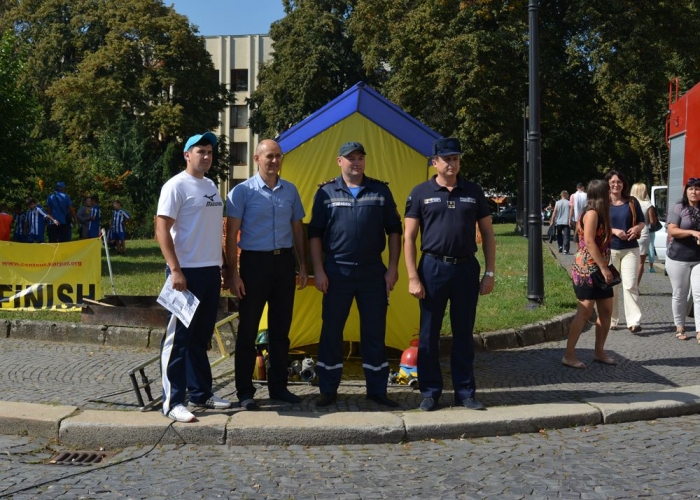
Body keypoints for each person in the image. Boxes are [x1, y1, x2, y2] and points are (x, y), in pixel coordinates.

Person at [404, 137, 496, 411]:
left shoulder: (473, 191)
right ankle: (430, 392)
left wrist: (490, 271)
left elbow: (489, 233)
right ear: (435, 162)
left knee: (464, 332)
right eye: (446, 159)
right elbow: (409, 237)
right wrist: (412, 276)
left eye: (455, 158)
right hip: (433, 267)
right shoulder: (420, 192)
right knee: (429, 333)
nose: (452, 163)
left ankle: (465, 392)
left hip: (466, 267)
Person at [308, 141, 402, 408]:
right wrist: (318, 270)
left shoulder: (380, 191)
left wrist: (393, 268)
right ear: (339, 161)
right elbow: (314, 234)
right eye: (350, 158)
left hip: (373, 272)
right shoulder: (326, 193)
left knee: (374, 332)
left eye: (360, 157)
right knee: (331, 332)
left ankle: (377, 390)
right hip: (337, 271)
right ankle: (327, 389)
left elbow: (394, 231)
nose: (356, 163)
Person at [155, 131, 232, 423]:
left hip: (210, 271)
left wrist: (223, 266)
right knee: (178, 340)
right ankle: (173, 401)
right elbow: (161, 229)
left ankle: (200, 393)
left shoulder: (211, 185)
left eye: (210, 152)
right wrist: (174, 269)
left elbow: (213, 231)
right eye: (200, 151)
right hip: (184, 273)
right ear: (187, 154)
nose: (206, 156)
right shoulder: (175, 186)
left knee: (201, 338)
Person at [226, 139, 308, 410]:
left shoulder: (291, 191)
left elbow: (298, 231)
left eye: (278, 156)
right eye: (269, 156)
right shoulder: (242, 192)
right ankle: (245, 391)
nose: (274, 161)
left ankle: (278, 387)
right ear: (257, 159)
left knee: (281, 331)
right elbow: (230, 237)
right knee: (248, 330)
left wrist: (303, 266)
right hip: (254, 265)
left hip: (284, 264)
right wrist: (233, 274)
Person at [563, 179, 617, 368]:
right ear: (602, 193)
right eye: (608, 191)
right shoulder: (592, 213)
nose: (611, 194)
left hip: (600, 267)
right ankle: (569, 355)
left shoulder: (601, 213)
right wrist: (604, 268)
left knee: (606, 311)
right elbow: (589, 242)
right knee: (584, 312)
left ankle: (599, 352)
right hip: (588, 269)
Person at [606, 170, 645, 332]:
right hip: (610, 249)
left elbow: (642, 222)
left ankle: (633, 322)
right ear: (608, 184)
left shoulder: (632, 201)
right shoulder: (603, 203)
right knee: (612, 287)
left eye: (619, 182)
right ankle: (612, 319)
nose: (616, 184)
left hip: (630, 248)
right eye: (613, 181)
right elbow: (598, 225)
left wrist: (636, 227)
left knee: (630, 285)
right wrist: (614, 231)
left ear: (624, 184)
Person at [664, 177, 700, 342]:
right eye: (691, 188)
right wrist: (693, 233)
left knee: (699, 294)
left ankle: (699, 330)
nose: (694, 192)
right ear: (686, 191)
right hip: (678, 257)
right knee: (680, 293)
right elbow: (672, 231)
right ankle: (680, 326)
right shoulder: (679, 207)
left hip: (698, 258)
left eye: (697, 189)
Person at [630, 183, 657, 285]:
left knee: (629, 260)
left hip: (630, 231)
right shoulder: (647, 204)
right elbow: (652, 221)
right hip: (643, 232)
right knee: (640, 262)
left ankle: (628, 283)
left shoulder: (629, 202)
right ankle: (636, 286)